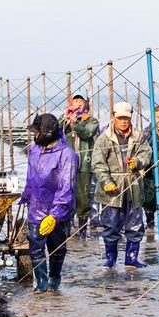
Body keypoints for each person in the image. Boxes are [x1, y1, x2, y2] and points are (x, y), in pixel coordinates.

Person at [18, 113, 77, 292]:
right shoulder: (34, 149)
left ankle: (54, 279)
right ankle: (41, 282)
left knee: (57, 247)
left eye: (36, 132)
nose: (34, 135)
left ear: (46, 133)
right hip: (36, 206)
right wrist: (26, 196)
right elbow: (31, 175)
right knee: (35, 244)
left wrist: (55, 215)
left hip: (58, 209)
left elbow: (66, 189)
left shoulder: (67, 156)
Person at [92, 102, 152, 268]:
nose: (124, 121)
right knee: (111, 224)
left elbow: (146, 155)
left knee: (136, 224)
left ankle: (131, 259)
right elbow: (98, 163)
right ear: (114, 117)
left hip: (133, 186)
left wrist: (137, 163)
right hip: (112, 188)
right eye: (120, 118)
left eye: (126, 118)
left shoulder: (138, 137)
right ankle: (110, 258)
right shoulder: (104, 138)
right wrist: (106, 182)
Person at [61, 94, 101, 235]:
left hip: (84, 164)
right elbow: (56, 130)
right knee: (66, 195)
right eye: (75, 101)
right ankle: (67, 229)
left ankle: (83, 230)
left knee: (83, 197)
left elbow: (86, 133)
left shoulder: (91, 120)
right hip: (66, 165)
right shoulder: (66, 119)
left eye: (81, 101)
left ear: (86, 104)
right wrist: (66, 118)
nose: (78, 104)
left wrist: (76, 124)